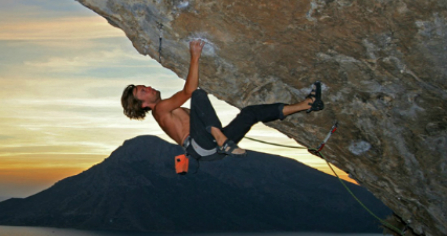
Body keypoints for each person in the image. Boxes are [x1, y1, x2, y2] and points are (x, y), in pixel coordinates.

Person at [120, 39, 324, 161]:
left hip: (210, 150)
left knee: (250, 114)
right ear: (144, 105)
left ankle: (307, 104)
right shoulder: (161, 109)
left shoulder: (167, 111)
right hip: (203, 145)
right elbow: (190, 91)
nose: (147, 88)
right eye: (142, 92)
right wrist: (194, 57)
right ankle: (223, 140)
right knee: (198, 95)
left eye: (143, 87)